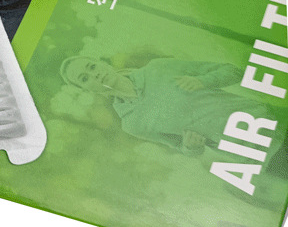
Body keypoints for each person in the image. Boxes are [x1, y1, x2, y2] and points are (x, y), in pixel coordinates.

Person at [59, 56, 267, 155]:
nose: (94, 74)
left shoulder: (159, 67)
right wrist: (190, 147)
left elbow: (233, 71)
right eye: (84, 78)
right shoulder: (131, 124)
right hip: (252, 155)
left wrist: (204, 81)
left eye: (92, 66)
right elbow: (181, 148)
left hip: (265, 119)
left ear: (102, 63)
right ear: (87, 90)